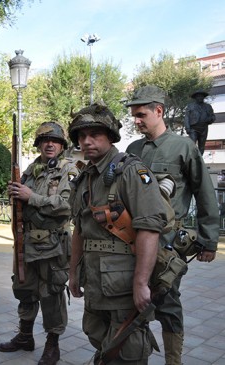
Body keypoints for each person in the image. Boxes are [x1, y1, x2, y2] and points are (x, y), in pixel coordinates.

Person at [67, 103, 168, 364]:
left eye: (94, 135)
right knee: (97, 334)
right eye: (81, 136)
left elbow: (149, 228)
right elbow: (80, 228)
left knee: (128, 349)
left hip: (123, 282)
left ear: (110, 136)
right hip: (95, 279)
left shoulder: (132, 171)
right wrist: (73, 272)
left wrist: (141, 282)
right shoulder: (85, 177)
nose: (86, 141)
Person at [125, 85, 219, 365]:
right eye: (133, 115)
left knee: (167, 303)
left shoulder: (183, 147)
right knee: (131, 300)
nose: (136, 120)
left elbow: (204, 194)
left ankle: (173, 361)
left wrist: (209, 240)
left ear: (159, 110)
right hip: (130, 241)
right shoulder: (133, 149)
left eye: (141, 114)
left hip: (167, 244)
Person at [0, 122, 78, 365]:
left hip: (53, 245)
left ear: (62, 145)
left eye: (54, 140)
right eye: (44, 140)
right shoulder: (31, 170)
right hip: (27, 242)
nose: (49, 144)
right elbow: (20, 201)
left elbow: (67, 206)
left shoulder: (69, 170)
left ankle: (52, 345)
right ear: (39, 145)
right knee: (24, 289)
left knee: (51, 293)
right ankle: (25, 336)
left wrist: (31, 197)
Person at [183, 89, 215, 155]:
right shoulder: (190, 106)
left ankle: (200, 162)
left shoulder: (208, 107)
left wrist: (209, 119)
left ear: (203, 97)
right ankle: (191, 161)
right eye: (198, 96)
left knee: (202, 146)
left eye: (201, 96)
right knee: (192, 145)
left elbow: (213, 117)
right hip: (193, 128)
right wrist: (187, 128)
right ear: (195, 98)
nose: (200, 97)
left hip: (204, 129)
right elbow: (187, 117)